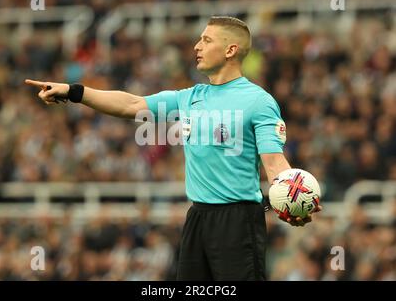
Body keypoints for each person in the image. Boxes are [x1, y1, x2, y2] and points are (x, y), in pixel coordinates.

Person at [25, 16, 321, 281]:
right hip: (197, 218)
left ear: (230, 50)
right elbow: (132, 105)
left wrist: (291, 196)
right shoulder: (189, 97)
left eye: (206, 40)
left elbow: (274, 164)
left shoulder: (258, 101)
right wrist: (74, 92)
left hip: (238, 222)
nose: (197, 45)